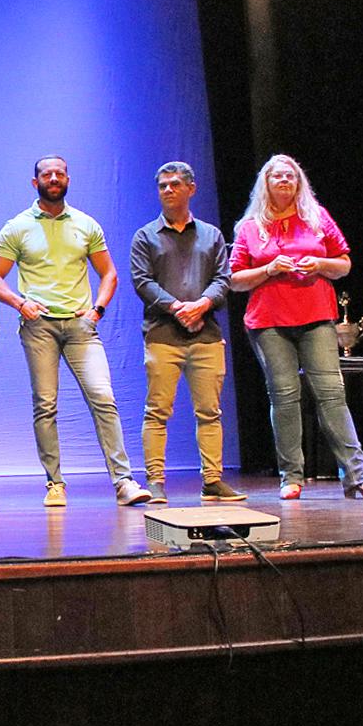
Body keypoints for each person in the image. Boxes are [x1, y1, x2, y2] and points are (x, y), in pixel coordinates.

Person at [0, 155, 151, 507]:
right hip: (39, 326)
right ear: (35, 183)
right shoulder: (17, 226)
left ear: (68, 179)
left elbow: (109, 273)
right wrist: (20, 304)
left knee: (103, 398)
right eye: (47, 174)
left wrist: (97, 310)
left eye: (59, 173)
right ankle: (55, 484)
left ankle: (124, 483)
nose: (54, 178)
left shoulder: (85, 224)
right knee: (45, 405)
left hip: (80, 326)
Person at [229, 154, 363, 500]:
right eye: (277, 177)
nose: (284, 181)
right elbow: (236, 279)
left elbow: (343, 264)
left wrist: (321, 263)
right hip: (270, 322)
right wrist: (269, 269)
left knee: (332, 394)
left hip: (316, 317)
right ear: (266, 184)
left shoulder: (317, 218)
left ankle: (359, 476)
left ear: (299, 183)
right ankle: (291, 476)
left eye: (291, 176)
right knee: (285, 397)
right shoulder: (250, 227)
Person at [129, 161, 245, 504]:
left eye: (175, 184)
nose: (168, 190)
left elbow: (223, 280)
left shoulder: (211, 235)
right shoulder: (145, 236)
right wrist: (177, 307)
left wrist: (202, 305)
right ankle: (156, 481)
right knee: (157, 411)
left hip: (205, 335)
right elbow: (142, 281)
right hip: (163, 334)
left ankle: (212, 481)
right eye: (162, 185)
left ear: (191, 189)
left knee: (209, 411)